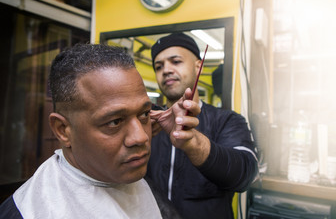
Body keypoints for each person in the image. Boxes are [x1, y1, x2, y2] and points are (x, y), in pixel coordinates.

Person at [0, 43, 200, 219]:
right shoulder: (28, 212)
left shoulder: (137, 182)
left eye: (144, 114)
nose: (141, 137)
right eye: (114, 122)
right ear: (63, 130)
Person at [146, 33, 259, 219]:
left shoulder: (226, 120)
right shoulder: (148, 123)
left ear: (198, 67)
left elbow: (245, 175)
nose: (166, 70)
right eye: (159, 66)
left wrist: (193, 143)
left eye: (175, 61)